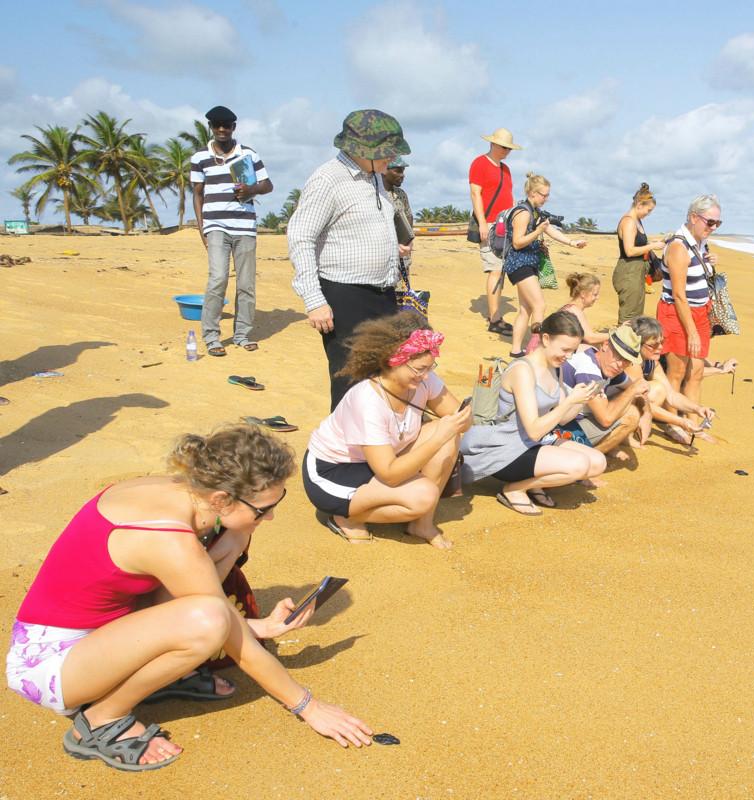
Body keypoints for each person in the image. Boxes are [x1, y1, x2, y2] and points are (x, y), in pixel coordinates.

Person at [5, 425, 373, 772]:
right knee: (209, 621)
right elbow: (228, 634)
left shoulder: (186, 492)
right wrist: (308, 706)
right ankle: (102, 720)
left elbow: (183, 596)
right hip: (51, 665)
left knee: (229, 554)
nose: (272, 517)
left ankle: (160, 675)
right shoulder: (168, 538)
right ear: (221, 497)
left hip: (106, 634)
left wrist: (258, 619)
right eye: (263, 509)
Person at [303, 312, 472, 546]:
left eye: (430, 367)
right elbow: (390, 475)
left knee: (447, 435)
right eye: (418, 369)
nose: (425, 375)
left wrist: (472, 408)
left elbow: (460, 419)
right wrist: (439, 436)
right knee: (424, 494)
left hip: (380, 460)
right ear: (394, 359)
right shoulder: (368, 400)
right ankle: (346, 516)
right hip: (334, 470)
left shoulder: (422, 379)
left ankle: (421, 524)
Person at [288, 110, 411, 411]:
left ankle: (376, 449)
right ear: (363, 150)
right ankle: (342, 455)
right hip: (345, 297)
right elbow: (300, 237)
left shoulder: (375, 177)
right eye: (387, 152)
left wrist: (390, 250)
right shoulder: (328, 179)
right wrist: (314, 300)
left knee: (382, 376)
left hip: (383, 294)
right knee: (351, 382)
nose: (392, 158)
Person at [459, 310, 605, 516]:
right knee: (579, 466)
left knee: (598, 462)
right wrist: (570, 401)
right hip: (506, 447)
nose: (569, 356)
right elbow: (535, 430)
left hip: (534, 442)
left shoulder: (556, 366)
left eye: (573, 350)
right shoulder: (523, 371)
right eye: (565, 349)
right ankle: (515, 489)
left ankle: (534, 482)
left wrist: (583, 400)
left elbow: (562, 418)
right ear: (545, 338)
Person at [190, 105, 273, 357]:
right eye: (217, 125)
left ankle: (241, 334)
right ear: (211, 128)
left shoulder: (248, 155)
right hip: (215, 226)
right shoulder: (199, 158)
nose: (222, 129)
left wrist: (251, 191)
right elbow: (197, 194)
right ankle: (212, 336)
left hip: (245, 226)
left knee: (246, 283)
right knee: (218, 279)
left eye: (227, 125)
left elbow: (267, 185)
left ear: (234, 127)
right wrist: (201, 227)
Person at [504, 173, 588, 359]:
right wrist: (538, 232)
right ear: (533, 193)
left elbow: (549, 229)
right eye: (544, 194)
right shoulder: (523, 212)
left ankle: (516, 351)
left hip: (527, 263)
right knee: (539, 305)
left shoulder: (535, 211)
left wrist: (571, 243)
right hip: (520, 264)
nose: (546, 198)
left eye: (547, 195)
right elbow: (518, 242)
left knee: (526, 309)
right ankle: (536, 348)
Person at [658, 194, 722, 423]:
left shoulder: (700, 242)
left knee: (695, 372)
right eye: (710, 222)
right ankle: (673, 422)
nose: (713, 227)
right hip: (677, 314)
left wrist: (710, 262)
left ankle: (693, 422)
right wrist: (692, 331)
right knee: (676, 372)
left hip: (700, 312)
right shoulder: (678, 246)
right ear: (694, 217)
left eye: (717, 223)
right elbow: (678, 295)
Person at [555, 324, 649, 455]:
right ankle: (589, 458)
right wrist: (632, 391)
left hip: (568, 421)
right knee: (631, 414)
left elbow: (639, 388)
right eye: (618, 356)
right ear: (605, 345)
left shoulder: (607, 364)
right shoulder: (589, 369)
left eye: (627, 361)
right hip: (556, 429)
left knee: (626, 397)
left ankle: (600, 448)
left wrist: (647, 414)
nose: (620, 364)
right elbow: (606, 419)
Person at [627, 316, 718, 446]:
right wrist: (681, 422)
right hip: (608, 409)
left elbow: (671, 395)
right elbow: (644, 404)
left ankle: (632, 429)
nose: (660, 348)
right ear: (637, 343)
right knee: (649, 394)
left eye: (662, 342)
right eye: (653, 345)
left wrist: (697, 408)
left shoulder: (652, 362)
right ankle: (625, 436)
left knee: (660, 389)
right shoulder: (631, 364)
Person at [469, 128, 519, 335]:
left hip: (505, 225)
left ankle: (496, 316)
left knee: (501, 270)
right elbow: (475, 194)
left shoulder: (506, 169)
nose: (506, 151)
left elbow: (509, 196)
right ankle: (495, 319)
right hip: (490, 224)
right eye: (504, 147)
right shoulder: (479, 163)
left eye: (509, 148)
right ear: (493, 144)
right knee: (495, 270)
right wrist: (482, 222)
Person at [613, 183, 665, 325]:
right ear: (639, 205)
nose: (648, 214)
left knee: (636, 314)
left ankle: (629, 343)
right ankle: (621, 344)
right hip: (629, 272)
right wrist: (653, 246)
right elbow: (629, 251)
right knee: (628, 317)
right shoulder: (629, 222)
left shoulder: (637, 221)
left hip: (636, 271)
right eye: (648, 210)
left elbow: (639, 243)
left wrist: (653, 243)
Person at [526, 272, 606, 354]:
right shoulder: (574, 310)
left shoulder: (570, 307)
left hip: (538, 347)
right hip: (540, 351)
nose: (597, 298)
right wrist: (613, 335)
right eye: (595, 294)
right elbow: (590, 338)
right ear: (583, 294)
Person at [381, 155, 415, 273]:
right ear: (384, 171)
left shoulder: (401, 194)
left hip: (402, 259)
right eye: (398, 171)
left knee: (403, 290)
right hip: (381, 260)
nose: (402, 175)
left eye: (403, 171)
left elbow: (409, 217)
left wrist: (407, 243)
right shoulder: (374, 194)